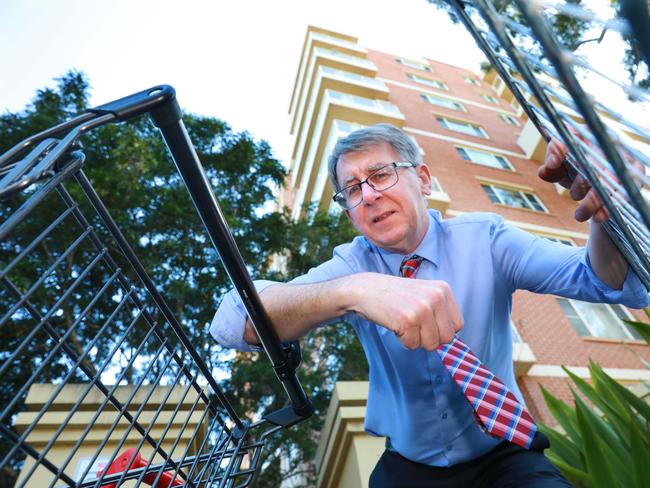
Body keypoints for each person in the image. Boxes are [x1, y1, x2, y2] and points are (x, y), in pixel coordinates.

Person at [211, 123, 649, 487]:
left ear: (422, 178)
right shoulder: (352, 265)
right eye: (351, 190)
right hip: (406, 468)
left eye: (380, 174)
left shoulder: (488, 240)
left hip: (504, 458)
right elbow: (231, 323)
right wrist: (354, 291)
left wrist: (605, 212)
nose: (367, 195)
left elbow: (604, 280)